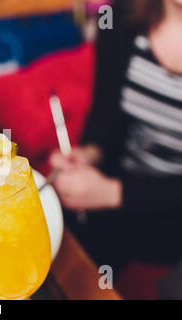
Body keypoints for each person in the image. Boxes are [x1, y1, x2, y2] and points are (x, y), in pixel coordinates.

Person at [49, 0, 182, 269]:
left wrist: (114, 193)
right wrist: (90, 154)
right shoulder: (119, 18)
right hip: (121, 185)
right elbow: (105, 114)